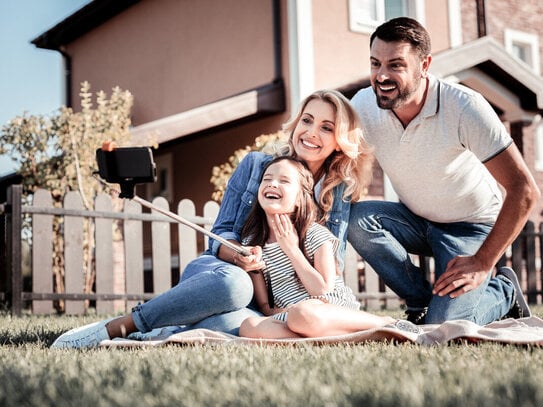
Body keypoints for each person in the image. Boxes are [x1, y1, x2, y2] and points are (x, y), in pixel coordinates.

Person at [51, 89, 374, 348]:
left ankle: (164, 328)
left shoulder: (336, 192)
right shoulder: (257, 165)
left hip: (277, 303)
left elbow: (330, 273)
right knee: (235, 285)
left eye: (327, 127)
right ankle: (120, 325)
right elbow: (220, 235)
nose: (311, 132)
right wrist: (240, 256)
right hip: (221, 273)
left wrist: (294, 295)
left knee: (227, 326)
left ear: (339, 141)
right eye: (307, 120)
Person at [348, 17, 541, 325]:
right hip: (414, 218)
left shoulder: (464, 107)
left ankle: (504, 291)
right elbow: (334, 164)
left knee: (445, 328)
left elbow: (525, 191)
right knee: (357, 220)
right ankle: (421, 303)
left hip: (470, 226)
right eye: (375, 64)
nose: (381, 76)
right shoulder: (363, 105)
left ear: (425, 64)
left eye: (395, 65)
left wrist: (482, 262)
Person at [238, 156, 420, 339]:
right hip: (290, 316)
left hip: (328, 310)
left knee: (303, 315)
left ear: (300, 198)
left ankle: (386, 323)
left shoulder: (315, 233)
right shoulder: (253, 243)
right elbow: (265, 307)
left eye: (284, 180)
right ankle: (331, 338)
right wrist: (254, 268)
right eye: (267, 179)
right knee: (249, 326)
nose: (273, 184)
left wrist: (291, 249)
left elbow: (322, 291)